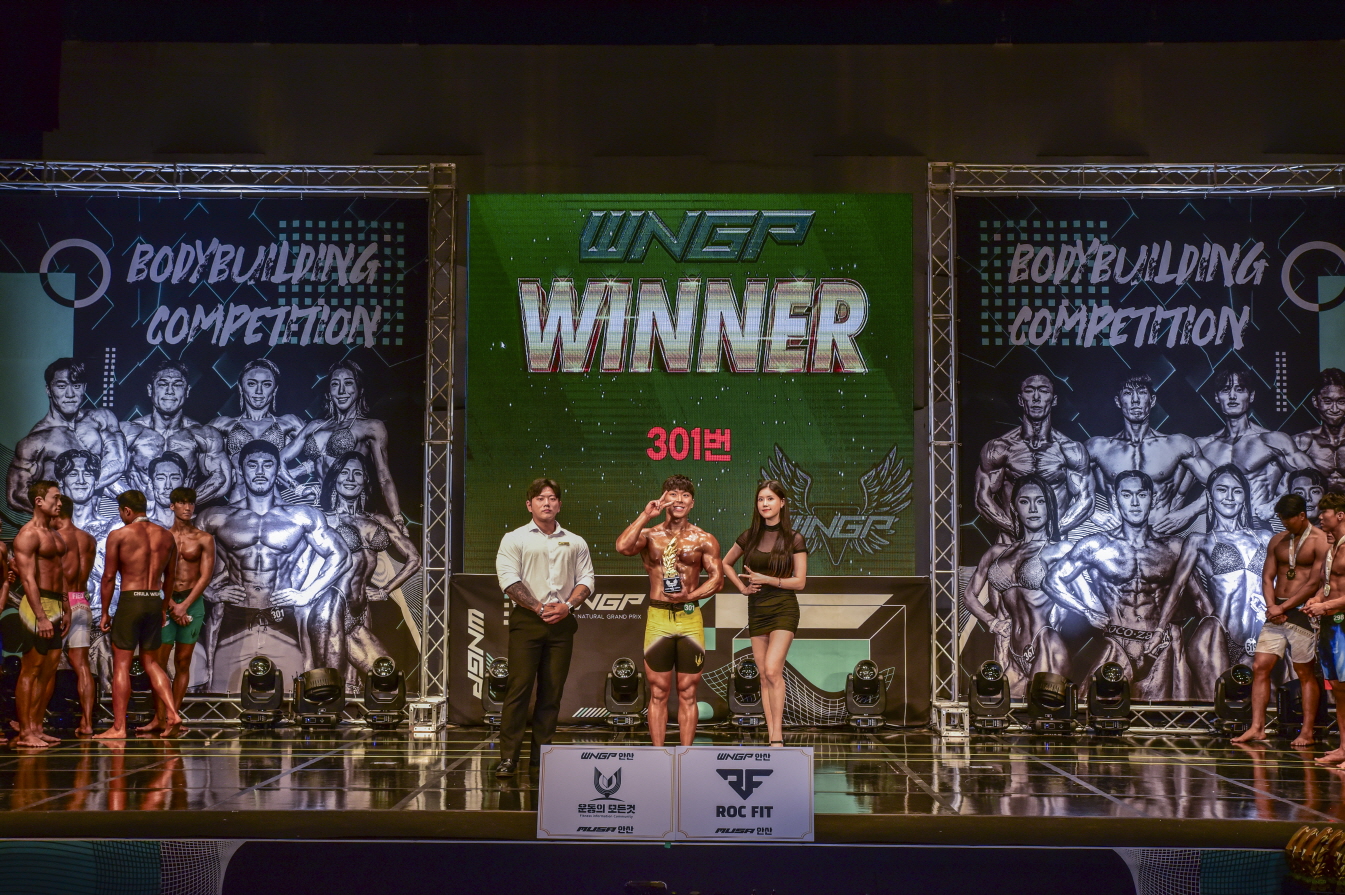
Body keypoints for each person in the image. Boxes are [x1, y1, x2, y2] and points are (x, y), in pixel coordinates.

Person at [197, 440, 349, 692]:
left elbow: (341, 555)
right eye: (252, 465)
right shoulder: (216, 517)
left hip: (282, 617)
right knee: (226, 698)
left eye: (267, 464)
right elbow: (179, 558)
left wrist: (307, 594)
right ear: (240, 470)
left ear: (278, 469)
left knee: (288, 698)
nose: (260, 471)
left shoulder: (301, 516)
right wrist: (209, 592)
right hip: (234, 617)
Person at [1044, 470, 1190, 700]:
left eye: (1141, 494)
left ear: (1153, 499)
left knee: (1162, 718)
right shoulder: (1097, 546)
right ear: (1115, 500)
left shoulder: (1174, 547)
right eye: (1127, 495)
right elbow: (1052, 580)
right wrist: (1086, 611)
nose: (1134, 502)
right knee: (1100, 714)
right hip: (1117, 644)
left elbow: (1197, 598)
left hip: (1159, 647)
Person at [493, 478, 594, 777]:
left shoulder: (575, 541)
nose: (546, 503)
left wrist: (568, 606)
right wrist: (537, 607)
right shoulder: (514, 538)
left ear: (559, 504)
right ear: (529, 505)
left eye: (551, 498)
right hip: (527, 621)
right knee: (518, 690)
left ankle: (542, 756)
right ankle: (508, 758)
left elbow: (586, 579)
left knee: (552, 693)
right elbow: (508, 580)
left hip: (562, 621)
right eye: (540, 498)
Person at [615, 474, 724, 748]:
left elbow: (717, 579)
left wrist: (690, 595)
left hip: (689, 616)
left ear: (692, 503)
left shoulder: (704, 539)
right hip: (658, 617)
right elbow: (622, 547)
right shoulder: (650, 535)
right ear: (664, 499)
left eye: (685, 495)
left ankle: (686, 755)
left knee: (687, 692)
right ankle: (658, 756)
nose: (679, 500)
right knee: (658, 691)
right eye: (672, 494)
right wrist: (646, 515)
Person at [1157, 466, 1274, 700]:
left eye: (1236, 491)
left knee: (1268, 707)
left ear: (1245, 496)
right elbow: (1177, 588)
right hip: (1218, 636)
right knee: (1219, 706)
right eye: (1222, 490)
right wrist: (1160, 629)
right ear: (1209, 496)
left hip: (1260, 635)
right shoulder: (1199, 541)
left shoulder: (1264, 537)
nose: (1229, 497)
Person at [1223, 493, 1326, 746]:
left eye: (1288, 518)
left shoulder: (1320, 540)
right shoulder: (1277, 540)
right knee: (1260, 666)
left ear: (1302, 515)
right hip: (1276, 613)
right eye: (1281, 518)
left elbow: (1314, 582)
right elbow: (1267, 576)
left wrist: (1284, 607)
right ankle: (1257, 727)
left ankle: (1307, 732)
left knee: (1304, 672)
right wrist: (1271, 606)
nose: (1285, 523)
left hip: (1302, 612)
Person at [962, 474, 1074, 697]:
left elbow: (1077, 597)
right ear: (1014, 508)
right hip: (1012, 650)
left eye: (1040, 501)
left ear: (1049, 506)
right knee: (997, 709)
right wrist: (992, 622)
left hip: (1045, 644)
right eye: (1024, 501)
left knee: (1045, 711)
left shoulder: (1060, 551)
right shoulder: (997, 552)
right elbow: (968, 596)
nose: (1033, 508)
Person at [320, 451, 421, 682]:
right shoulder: (324, 520)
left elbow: (415, 559)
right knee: (379, 677)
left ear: (365, 479)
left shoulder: (379, 520)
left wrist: (385, 589)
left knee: (356, 683)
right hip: (334, 610)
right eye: (344, 472)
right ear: (335, 478)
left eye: (357, 473)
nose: (350, 478)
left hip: (362, 609)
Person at [721, 480, 808, 746]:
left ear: (782, 503)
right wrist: (742, 588)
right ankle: (771, 736)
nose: (765, 504)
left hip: (784, 608)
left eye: (770, 499)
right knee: (763, 675)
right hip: (757, 609)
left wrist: (768, 579)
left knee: (772, 670)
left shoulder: (794, 538)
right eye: (761, 499)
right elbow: (725, 563)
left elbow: (800, 582)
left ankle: (777, 737)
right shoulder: (749, 536)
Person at [94, 490, 181, 739]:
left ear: (127, 510)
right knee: (152, 663)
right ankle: (172, 713)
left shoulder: (120, 535)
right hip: (154, 600)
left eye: (121, 512)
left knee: (122, 664)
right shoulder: (166, 536)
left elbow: (108, 577)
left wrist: (105, 613)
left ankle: (119, 728)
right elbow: (170, 578)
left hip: (131, 601)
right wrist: (163, 608)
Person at [282, 359, 406, 530]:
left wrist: (397, 518)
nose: (341, 391)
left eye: (348, 383)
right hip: (315, 505)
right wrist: (297, 488)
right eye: (335, 384)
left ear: (359, 389)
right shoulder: (315, 426)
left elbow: (384, 477)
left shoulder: (370, 427)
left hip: (348, 508)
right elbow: (277, 462)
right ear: (329, 391)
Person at [1086, 373, 1214, 535]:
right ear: (1118, 401)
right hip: (1116, 537)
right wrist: (1092, 513)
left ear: (1152, 400)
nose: (1135, 400)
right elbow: (1063, 482)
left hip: (1162, 536)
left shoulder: (1178, 445)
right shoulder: (1098, 448)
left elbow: (1225, 483)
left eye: (1141, 392)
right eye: (1127, 393)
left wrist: (1189, 512)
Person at [975, 374, 1093, 540]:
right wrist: (1017, 532)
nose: (1036, 397)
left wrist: (1053, 532)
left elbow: (1086, 501)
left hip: (1054, 544)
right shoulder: (999, 449)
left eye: (1044, 391)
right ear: (1020, 399)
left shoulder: (1071, 450)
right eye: (1029, 391)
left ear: (1054, 400)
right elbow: (982, 499)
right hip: (1011, 542)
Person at [1196, 368, 1315, 526]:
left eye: (1239, 389)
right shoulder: (1203, 446)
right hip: (1217, 528)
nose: (1232, 396)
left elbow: (1314, 478)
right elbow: (1177, 492)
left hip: (1260, 525)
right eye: (1225, 390)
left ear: (1251, 396)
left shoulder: (1272, 441)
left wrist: (1276, 503)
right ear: (1217, 397)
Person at [7, 359, 126, 512]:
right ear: (49, 390)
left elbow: (118, 462)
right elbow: (16, 495)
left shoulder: (101, 419)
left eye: (76, 386)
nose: (70, 394)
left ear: (84, 387)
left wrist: (81, 486)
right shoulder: (35, 441)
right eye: (61, 386)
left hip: (99, 519)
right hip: (62, 521)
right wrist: (59, 514)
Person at [144, 486, 215, 734]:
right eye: (182, 503)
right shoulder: (162, 537)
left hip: (192, 602)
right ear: (172, 506)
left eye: (191, 503)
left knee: (183, 662)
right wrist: (172, 605)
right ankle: (159, 717)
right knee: (159, 663)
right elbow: (153, 574)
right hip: (167, 601)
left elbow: (205, 576)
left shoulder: (204, 538)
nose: (187, 507)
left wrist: (184, 606)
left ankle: (174, 716)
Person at [119, 361, 230, 504]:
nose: (170, 391)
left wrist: (186, 504)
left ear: (187, 391)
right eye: (163, 384)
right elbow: (102, 475)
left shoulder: (204, 435)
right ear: (150, 390)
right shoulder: (128, 432)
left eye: (177, 385)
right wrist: (135, 503)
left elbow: (222, 480)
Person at [11, 480, 70, 748]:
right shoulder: (27, 534)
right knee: (32, 669)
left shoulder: (55, 535)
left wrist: (66, 606)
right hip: (38, 606)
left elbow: (61, 573)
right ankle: (25, 732)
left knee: (49, 670)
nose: (59, 503)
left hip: (56, 603)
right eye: (55, 498)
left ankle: (36, 726)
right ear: (39, 501)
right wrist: (42, 616)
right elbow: (28, 580)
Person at [208, 358, 306, 503]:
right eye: (252, 384)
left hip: (275, 504)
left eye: (266, 384)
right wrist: (227, 474)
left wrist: (294, 472)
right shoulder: (222, 425)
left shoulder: (288, 423)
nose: (259, 391)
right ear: (241, 387)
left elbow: (324, 454)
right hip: (237, 504)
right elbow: (196, 460)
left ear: (275, 389)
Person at [51, 494, 98, 737]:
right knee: (82, 665)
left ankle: (32, 724)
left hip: (63, 604)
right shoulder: (88, 539)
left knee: (46, 666)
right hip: (82, 601)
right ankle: (87, 723)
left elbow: (55, 576)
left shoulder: (56, 538)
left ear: (58, 512)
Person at [1306, 492, 1345, 764]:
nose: (1320, 517)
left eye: (1325, 513)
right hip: (1331, 624)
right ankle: (1343, 748)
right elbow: (1328, 585)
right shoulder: (1332, 548)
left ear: (1340, 515)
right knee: (1339, 689)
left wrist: (1327, 605)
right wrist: (1318, 599)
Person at [1294, 368, 1345, 494]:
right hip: (1318, 506)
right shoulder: (1301, 442)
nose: (1334, 409)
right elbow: (1286, 488)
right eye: (1327, 401)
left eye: (1341, 402)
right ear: (1316, 402)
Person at [145, 452, 189, 528]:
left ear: (185, 483)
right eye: (161, 478)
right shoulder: (140, 524)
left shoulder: (198, 523)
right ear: (150, 483)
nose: (168, 486)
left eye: (175, 478)